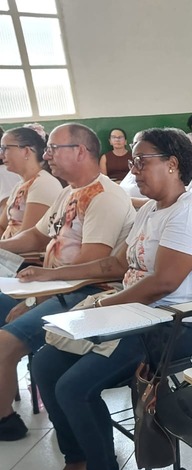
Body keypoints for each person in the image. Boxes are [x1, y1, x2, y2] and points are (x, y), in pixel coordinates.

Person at [17, 127, 192, 470]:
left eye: (142, 161)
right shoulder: (150, 211)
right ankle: (78, 462)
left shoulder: (188, 214)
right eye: (134, 162)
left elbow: (163, 283)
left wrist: (100, 308)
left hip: (173, 326)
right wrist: (51, 273)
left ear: (173, 164)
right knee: (45, 364)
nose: (134, 169)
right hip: (131, 316)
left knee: (75, 386)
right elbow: (114, 265)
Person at [0, 123, 135, 442]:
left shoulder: (104, 197)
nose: (46, 156)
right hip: (52, 285)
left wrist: (33, 301)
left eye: (53, 149)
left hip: (86, 292)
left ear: (80, 151)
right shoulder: (69, 191)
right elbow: (37, 236)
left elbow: (90, 268)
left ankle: (6, 421)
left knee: (5, 343)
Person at [0, 126, 62, 241]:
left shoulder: (43, 183)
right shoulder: (19, 185)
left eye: (5, 148)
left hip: (22, 252)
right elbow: (2, 226)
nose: (1, 155)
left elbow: (28, 237)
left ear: (26, 151)